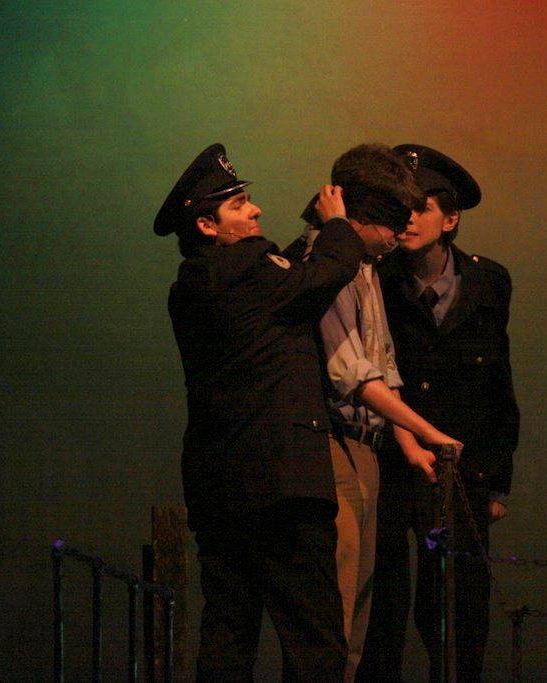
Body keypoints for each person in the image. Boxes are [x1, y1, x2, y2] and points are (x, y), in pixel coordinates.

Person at [155, 143, 365, 682]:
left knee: (228, 636)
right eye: (239, 204)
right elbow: (327, 272)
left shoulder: (189, 286)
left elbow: (278, 290)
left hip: (219, 488)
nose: (255, 210)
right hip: (282, 485)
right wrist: (336, 224)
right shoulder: (250, 266)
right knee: (314, 641)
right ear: (207, 225)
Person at [286, 143, 462, 682]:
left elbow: (382, 361)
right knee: (335, 609)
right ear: (360, 214)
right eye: (391, 221)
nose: (398, 235)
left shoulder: (367, 267)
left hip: (366, 448)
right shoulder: (326, 265)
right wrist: (428, 430)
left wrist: (408, 443)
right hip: (331, 445)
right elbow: (351, 374)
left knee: (359, 607)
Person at [358, 144, 520, 682]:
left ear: (450, 219)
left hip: (458, 465)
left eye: (420, 208)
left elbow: (497, 383)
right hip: (388, 460)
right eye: (399, 207)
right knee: (382, 604)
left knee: (458, 607)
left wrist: (495, 481)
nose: (406, 219)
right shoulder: (373, 277)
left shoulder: (487, 281)